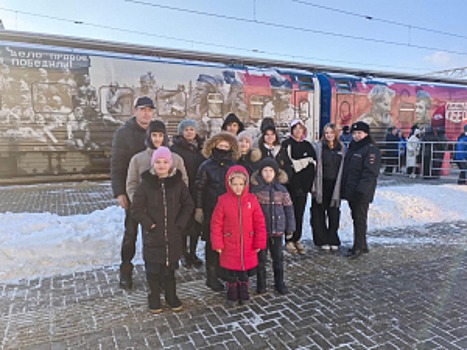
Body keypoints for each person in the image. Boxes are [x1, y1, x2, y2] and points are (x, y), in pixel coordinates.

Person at [131, 147, 194, 313]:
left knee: (169, 269)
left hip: (173, 235)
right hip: (153, 235)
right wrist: (149, 224)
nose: (161, 165)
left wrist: (180, 223)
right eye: (158, 162)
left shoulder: (178, 183)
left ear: (170, 164)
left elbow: (188, 204)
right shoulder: (146, 184)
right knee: (153, 270)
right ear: (153, 164)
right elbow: (136, 208)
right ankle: (154, 296)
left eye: (165, 162)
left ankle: (171, 295)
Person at [111, 96, 155, 290]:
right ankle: (126, 270)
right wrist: (120, 192)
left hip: (153, 193)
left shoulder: (156, 131)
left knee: (152, 234)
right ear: (134, 111)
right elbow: (117, 165)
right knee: (131, 233)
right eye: (142, 109)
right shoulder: (123, 133)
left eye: (149, 110)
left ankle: (153, 270)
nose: (146, 113)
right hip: (133, 191)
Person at [210, 165, 267, 306]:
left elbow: (259, 222)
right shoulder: (223, 201)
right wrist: (218, 243)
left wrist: (259, 243)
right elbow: (216, 223)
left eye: (241, 184)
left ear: (246, 184)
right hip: (229, 243)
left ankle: (243, 290)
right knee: (231, 272)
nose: (238, 188)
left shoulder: (252, 200)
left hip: (248, 242)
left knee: (244, 271)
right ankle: (232, 292)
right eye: (234, 184)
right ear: (229, 184)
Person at [194, 131, 239, 291]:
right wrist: (199, 208)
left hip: (229, 212)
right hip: (211, 210)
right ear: (213, 146)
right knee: (213, 244)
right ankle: (211, 276)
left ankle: (222, 270)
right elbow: (199, 188)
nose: (223, 148)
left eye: (226, 146)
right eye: (220, 145)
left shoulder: (234, 166)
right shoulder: (206, 166)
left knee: (226, 242)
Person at [250, 158, 295, 294]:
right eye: (265, 171)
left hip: (277, 230)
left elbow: (289, 209)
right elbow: (250, 210)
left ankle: (279, 283)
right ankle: (261, 284)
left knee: (278, 258)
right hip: (261, 231)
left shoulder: (282, 190)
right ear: (260, 173)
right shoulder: (256, 190)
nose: (268, 174)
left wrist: (290, 227)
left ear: (276, 173)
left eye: (271, 171)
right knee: (261, 259)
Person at [341, 121, 381, 259]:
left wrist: (361, 190)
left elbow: (370, 173)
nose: (356, 136)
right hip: (352, 190)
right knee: (356, 218)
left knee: (360, 219)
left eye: (359, 133)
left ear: (366, 134)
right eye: (354, 133)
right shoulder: (354, 147)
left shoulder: (370, 149)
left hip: (361, 192)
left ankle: (358, 247)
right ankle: (362, 244)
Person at [171, 119, 206, 268]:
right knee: (184, 224)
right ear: (181, 132)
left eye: (192, 129)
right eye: (186, 130)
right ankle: (184, 253)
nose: (189, 132)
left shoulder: (202, 148)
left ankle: (193, 252)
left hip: (198, 191)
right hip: (183, 191)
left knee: (196, 224)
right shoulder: (175, 149)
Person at [126, 120, 188, 203]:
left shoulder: (176, 159)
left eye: (160, 135)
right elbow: (132, 184)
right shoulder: (137, 159)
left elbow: (184, 181)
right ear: (149, 137)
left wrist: (176, 202)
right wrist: (138, 202)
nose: (157, 139)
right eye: (154, 135)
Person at [281, 119, 316, 255]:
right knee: (289, 213)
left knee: (299, 214)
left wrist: (305, 185)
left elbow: (312, 165)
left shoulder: (307, 145)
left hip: (303, 188)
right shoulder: (287, 144)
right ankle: (288, 239)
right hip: (290, 186)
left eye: (300, 128)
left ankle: (297, 238)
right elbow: (286, 166)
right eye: (295, 128)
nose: (297, 131)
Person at [311, 123, 345, 251]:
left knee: (334, 213)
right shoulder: (318, 147)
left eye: (331, 133)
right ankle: (321, 239)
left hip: (335, 185)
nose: (329, 135)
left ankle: (333, 238)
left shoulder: (342, 148)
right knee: (319, 213)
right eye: (326, 133)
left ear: (335, 134)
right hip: (320, 184)